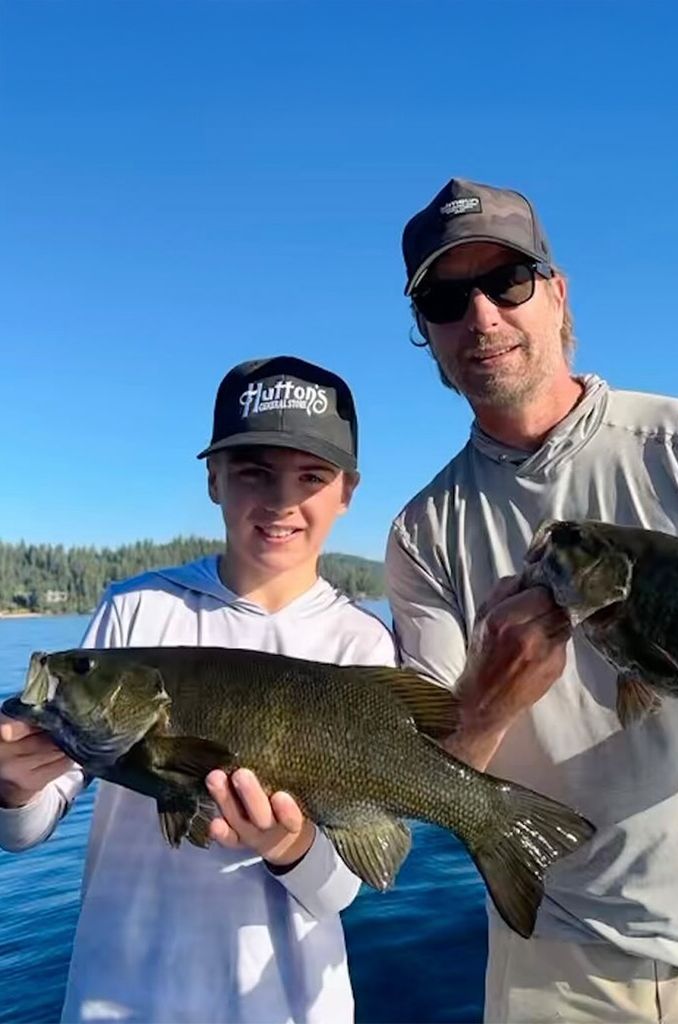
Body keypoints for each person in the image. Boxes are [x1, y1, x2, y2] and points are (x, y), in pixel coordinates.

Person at [386, 177, 678, 1023]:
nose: (481, 317)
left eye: (506, 282)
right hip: (552, 962)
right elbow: (424, 783)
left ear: (556, 293)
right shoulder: (421, 533)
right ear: (424, 333)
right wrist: (486, 697)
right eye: (445, 298)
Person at [0, 355, 396, 1024]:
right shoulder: (133, 612)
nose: (280, 501)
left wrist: (286, 847)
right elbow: (28, 829)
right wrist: (13, 783)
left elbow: (341, 892)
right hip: (115, 1000)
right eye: (252, 473)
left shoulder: (360, 646)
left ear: (346, 492)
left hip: (290, 1006)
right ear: (213, 478)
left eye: (310, 477)